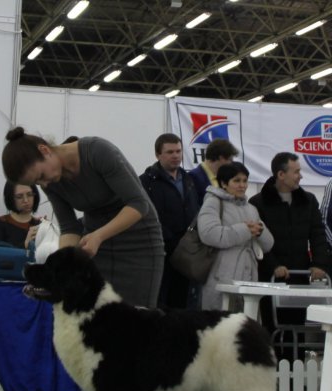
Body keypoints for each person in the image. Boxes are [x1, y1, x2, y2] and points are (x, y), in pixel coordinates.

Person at [1, 127, 164, 391]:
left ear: (45, 151)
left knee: (129, 348)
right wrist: (61, 269)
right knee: (96, 343)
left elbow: (139, 205)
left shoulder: (98, 152)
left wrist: (100, 235)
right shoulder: (53, 181)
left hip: (140, 245)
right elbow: (70, 228)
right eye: (37, 182)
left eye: (41, 176)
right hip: (97, 245)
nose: (44, 184)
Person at [250, 152, 330, 335]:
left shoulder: (308, 201)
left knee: (298, 330)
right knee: (272, 329)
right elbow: (257, 242)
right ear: (281, 174)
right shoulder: (258, 203)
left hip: (299, 276)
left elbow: (318, 234)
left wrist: (319, 263)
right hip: (270, 279)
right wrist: (274, 266)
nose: (300, 176)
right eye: (296, 172)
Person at [196, 162, 273, 311]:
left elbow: (268, 245)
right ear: (224, 183)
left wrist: (260, 231)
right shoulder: (213, 203)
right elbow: (209, 234)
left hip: (249, 277)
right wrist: (246, 230)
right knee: (219, 320)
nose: (242, 185)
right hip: (220, 275)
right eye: (236, 181)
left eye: (245, 180)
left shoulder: (251, 209)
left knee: (245, 322)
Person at [139, 133, 199, 309]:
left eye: (178, 151)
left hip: (185, 252)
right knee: (159, 301)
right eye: (170, 152)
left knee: (181, 303)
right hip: (160, 251)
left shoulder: (188, 179)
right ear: (158, 155)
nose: (175, 156)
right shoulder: (146, 182)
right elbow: (145, 215)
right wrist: (170, 239)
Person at [0, 181, 42, 249]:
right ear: (10, 199)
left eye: (30, 195)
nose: (26, 200)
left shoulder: (39, 224)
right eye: (19, 197)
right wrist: (25, 244)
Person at [188, 138, 239, 205]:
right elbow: (193, 206)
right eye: (230, 159)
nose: (231, 163)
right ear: (221, 158)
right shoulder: (193, 176)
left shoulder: (223, 178)